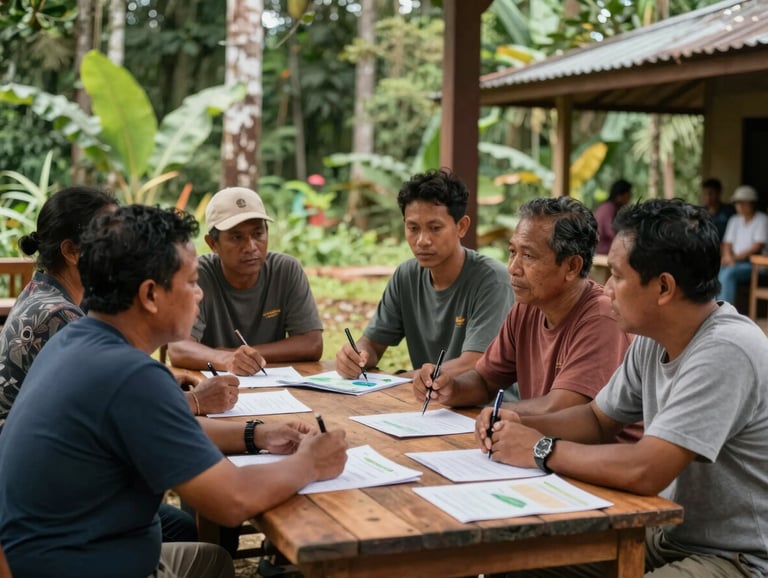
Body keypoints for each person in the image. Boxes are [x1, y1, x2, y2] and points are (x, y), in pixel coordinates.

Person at [0, 205, 348, 578]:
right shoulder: (131, 375)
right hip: (77, 566)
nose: (199, 295)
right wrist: (310, 463)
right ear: (150, 294)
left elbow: (170, 428)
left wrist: (258, 434)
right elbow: (232, 501)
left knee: (211, 561)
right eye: (191, 282)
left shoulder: (75, 338)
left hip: (41, 554)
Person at [477, 198, 768, 577]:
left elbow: (646, 469)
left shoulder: (726, 351)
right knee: (516, 557)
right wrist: (518, 420)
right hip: (663, 534)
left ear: (663, 287)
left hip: (735, 557)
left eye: (616, 275)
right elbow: (597, 419)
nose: (606, 288)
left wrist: (538, 448)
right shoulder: (654, 336)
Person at [0, 187, 236, 426]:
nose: (124, 248)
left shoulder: (43, 292)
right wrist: (196, 400)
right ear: (72, 251)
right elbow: (121, 412)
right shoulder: (59, 317)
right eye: (109, 239)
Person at [415, 197, 640, 442]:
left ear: (572, 267)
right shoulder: (527, 308)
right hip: (544, 449)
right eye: (512, 252)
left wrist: (503, 412)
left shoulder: (601, 317)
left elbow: (562, 408)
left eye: (529, 256)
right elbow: (484, 380)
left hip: (596, 464)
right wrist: (451, 388)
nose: (513, 267)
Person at [335, 168, 514, 379]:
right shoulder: (406, 276)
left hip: (484, 408)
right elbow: (372, 344)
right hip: (427, 402)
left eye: (435, 228)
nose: (422, 240)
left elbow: (475, 364)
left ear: (462, 227)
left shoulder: (492, 281)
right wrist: (358, 356)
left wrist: (402, 381)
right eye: (413, 228)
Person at [168, 187, 323, 375]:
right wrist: (226, 360)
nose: (250, 247)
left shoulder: (285, 270)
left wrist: (244, 356)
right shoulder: (198, 276)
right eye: (236, 237)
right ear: (213, 244)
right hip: (211, 389)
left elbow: (312, 343)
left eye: (258, 234)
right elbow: (178, 348)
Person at [717, 184, 768, 305]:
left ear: (751, 203)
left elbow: (757, 246)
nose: (738, 206)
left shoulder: (762, 219)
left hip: (754, 265)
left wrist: (733, 259)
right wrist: (727, 257)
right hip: (734, 261)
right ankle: (713, 310)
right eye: (736, 203)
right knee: (717, 270)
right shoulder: (734, 219)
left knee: (729, 273)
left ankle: (724, 311)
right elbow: (726, 243)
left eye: (741, 203)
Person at [595, 178, 632, 255]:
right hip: (602, 252)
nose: (629, 197)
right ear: (620, 195)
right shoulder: (609, 208)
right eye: (628, 194)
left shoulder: (607, 206)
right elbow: (612, 233)